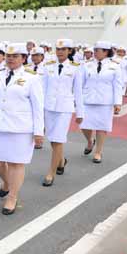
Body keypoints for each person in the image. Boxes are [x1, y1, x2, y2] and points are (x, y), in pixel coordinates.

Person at [0, 43, 44, 214]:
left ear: (23, 58)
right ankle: (8, 182)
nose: (11, 59)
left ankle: (12, 196)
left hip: (20, 128)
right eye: (9, 56)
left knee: (15, 163)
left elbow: (38, 106)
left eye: (16, 56)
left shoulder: (32, 78)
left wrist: (38, 131)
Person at [41, 39, 84, 186]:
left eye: (64, 49)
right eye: (58, 49)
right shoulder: (47, 66)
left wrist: (80, 113)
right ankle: (61, 161)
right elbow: (42, 89)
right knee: (53, 139)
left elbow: (78, 92)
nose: (60, 52)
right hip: (49, 107)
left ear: (70, 51)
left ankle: (50, 173)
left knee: (58, 139)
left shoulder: (76, 68)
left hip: (65, 108)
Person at [80, 41, 123, 163]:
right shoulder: (86, 65)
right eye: (94, 50)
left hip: (105, 100)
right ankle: (90, 141)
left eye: (97, 50)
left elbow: (118, 85)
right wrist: (77, 99)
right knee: (83, 125)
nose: (94, 53)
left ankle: (98, 151)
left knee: (102, 127)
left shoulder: (115, 66)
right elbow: (80, 83)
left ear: (105, 52)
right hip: (87, 99)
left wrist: (117, 103)